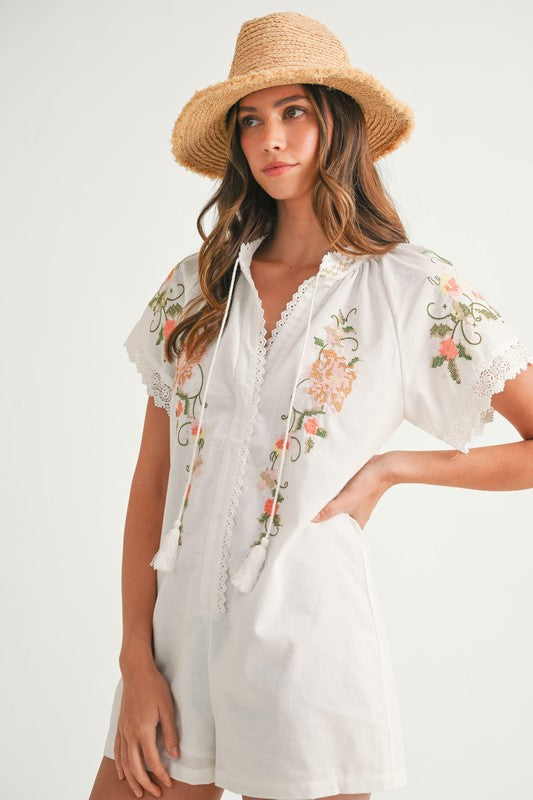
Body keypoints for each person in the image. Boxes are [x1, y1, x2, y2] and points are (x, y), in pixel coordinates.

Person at [88, 11, 533, 800]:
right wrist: (135, 658)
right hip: (173, 650)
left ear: (338, 124)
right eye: (250, 120)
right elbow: (153, 483)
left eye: (293, 111)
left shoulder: (408, 287)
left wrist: (393, 468)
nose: (270, 139)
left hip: (307, 657)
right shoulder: (196, 286)